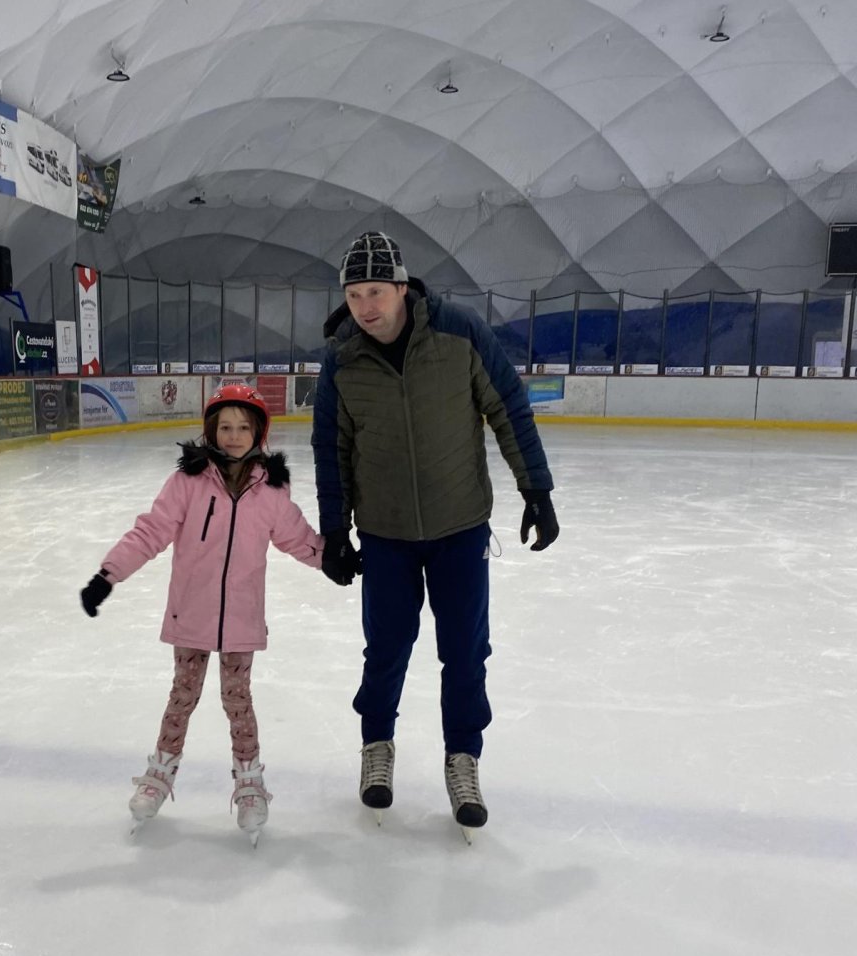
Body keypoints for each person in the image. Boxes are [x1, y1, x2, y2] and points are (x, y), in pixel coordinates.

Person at [312, 231, 559, 831]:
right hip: (386, 534)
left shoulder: (459, 333)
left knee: (466, 652)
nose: (365, 306)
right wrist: (335, 530)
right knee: (386, 648)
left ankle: (463, 758)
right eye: (354, 294)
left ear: (402, 288)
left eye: (376, 291)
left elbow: (507, 406)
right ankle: (377, 747)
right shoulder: (343, 358)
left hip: (459, 527)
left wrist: (536, 489)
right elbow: (330, 448)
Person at [80, 385, 347, 844]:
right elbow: (150, 532)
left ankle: (249, 783)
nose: (234, 436)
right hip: (192, 614)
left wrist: (331, 560)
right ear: (211, 431)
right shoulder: (188, 482)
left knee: (237, 701)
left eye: (243, 427)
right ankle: (159, 775)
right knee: (182, 697)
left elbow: (297, 537)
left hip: (241, 619)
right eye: (225, 427)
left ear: (259, 432)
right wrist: (108, 575)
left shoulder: (271, 491)